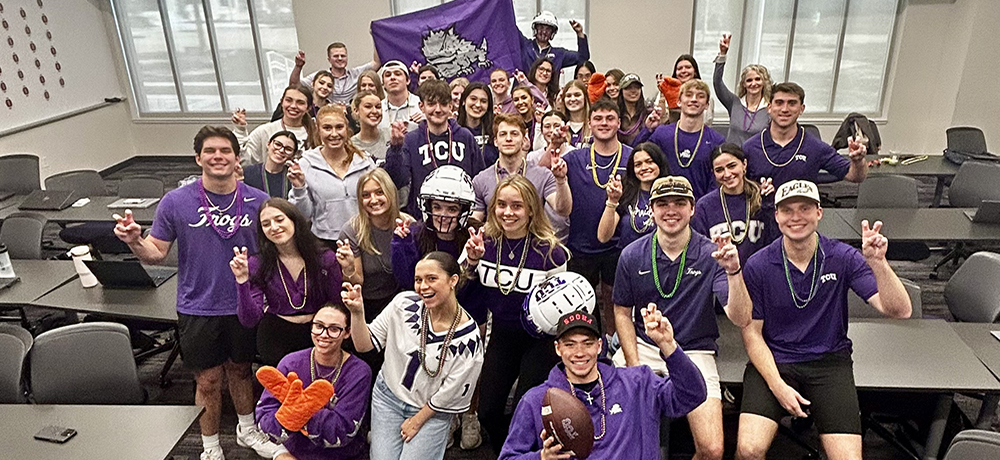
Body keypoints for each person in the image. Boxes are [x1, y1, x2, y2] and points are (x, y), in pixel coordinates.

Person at [113, 126, 279, 460]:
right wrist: (134, 240)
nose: (218, 157)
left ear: (236, 158)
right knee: (208, 381)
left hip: (244, 304)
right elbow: (156, 253)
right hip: (198, 306)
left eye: (225, 151)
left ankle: (247, 430)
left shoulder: (258, 201)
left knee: (241, 371)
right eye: (210, 151)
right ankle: (211, 446)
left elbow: (275, 251)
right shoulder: (176, 202)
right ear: (198, 158)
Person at [727, 180, 912, 460]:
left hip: (829, 362)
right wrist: (778, 387)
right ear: (776, 216)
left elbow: (900, 310)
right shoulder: (759, 265)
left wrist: (879, 263)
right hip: (776, 360)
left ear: (819, 213)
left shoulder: (843, 257)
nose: (796, 217)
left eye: (804, 208)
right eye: (787, 210)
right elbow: (752, 334)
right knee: (748, 450)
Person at [613, 175, 751, 460]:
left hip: (693, 350)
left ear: (692, 209)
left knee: (712, 450)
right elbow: (622, 313)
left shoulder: (713, 254)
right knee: (621, 436)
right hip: (645, 348)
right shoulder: (631, 255)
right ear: (651, 209)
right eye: (662, 204)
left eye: (679, 203)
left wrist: (734, 272)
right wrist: (634, 364)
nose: (671, 210)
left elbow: (741, 317)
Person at [499, 308, 707, 460]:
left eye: (587, 344)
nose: (579, 353)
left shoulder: (638, 383)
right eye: (570, 345)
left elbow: (693, 394)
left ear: (599, 346)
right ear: (558, 348)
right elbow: (508, 457)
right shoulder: (536, 400)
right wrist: (541, 458)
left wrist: (668, 345)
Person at [460, 174, 571, 453]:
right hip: (502, 335)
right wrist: (471, 261)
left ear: (531, 209)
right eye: (501, 205)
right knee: (487, 411)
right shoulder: (481, 242)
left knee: (526, 410)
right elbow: (457, 291)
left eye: (517, 206)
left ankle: (528, 454)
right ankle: (508, 453)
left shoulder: (552, 251)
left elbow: (565, 307)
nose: (508, 212)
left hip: (540, 340)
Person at [342, 252, 485, 460]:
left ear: (453, 280)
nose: (423, 286)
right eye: (418, 280)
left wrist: (417, 420)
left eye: (432, 279)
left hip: (431, 411)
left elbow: (450, 394)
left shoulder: (468, 339)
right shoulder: (403, 304)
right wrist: (357, 312)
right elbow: (364, 345)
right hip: (388, 398)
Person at [230, 198, 351, 366]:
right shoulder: (256, 264)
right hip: (275, 339)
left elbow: (338, 305)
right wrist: (242, 281)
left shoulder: (325, 258)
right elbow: (249, 319)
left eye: (279, 220)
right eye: (266, 224)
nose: (274, 227)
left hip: (319, 336)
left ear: (294, 220)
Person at [256, 303, 373, 460]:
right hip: (294, 453)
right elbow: (265, 413)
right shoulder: (290, 362)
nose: (324, 334)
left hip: (342, 456)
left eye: (333, 329)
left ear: (347, 333)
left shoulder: (359, 371)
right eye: (318, 326)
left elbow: (343, 430)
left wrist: (298, 412)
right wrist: (280, 450)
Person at [562, 99, 633, 336]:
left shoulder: (631, 158)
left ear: (619, 123)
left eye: (610, 118)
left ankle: (615, 349)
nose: (604, 123)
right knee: (581, 308)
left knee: (616, 306)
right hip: (580, 245)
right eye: (598, 118)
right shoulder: (574, 159)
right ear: (589, 123)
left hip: (619, 247)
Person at [742, 82, 868, 191]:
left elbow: (855, 177)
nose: (785, 109)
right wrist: (757, 188)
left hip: (799, 217)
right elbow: (735, 184)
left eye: (792, 103)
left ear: (801, 109)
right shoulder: (750, 147)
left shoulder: (815, 147)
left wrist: (858, 161)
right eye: (779, 103)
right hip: (760, 217)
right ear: (769, 107)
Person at [385, 79, 485, 216]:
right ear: (421, 106)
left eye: (443, 104)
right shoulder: (411, 139)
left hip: (460, 216)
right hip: (423, 218)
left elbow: (479, 178)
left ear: (450, 106)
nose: (438, 110)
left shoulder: (465, 136)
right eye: (431, 104)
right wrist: (395, 148)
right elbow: (397, 181)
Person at [288, 105, 376, 243]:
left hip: (364, 237)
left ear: (346, 129)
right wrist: (299, 188)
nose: (334, 134)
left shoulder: (365, 162)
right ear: (318, 130)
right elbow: (304, 214)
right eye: (327, 128)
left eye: (339, 127)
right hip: (324, 241)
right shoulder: (306, 164)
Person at [471, 113, 571, 225]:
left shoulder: (542, 175)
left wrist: (561, 180)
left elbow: (563, 210)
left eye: (514, 134)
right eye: (503, 134)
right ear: (495, 141)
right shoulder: (481, 179)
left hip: (534, 240)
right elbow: (476, 219)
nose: (508, 139)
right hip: (495, 240)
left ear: (524, 140)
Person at [636, 79, 726, 199]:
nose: (694, 99)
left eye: (700, 96)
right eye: (688, 95)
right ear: (678, 101)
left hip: (698, 210)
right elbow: (634, 155)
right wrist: (647, 130)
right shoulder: (662, 134)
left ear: (707, 105)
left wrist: (703, 209)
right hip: (662, 205)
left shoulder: (717, 141)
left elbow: (716, 182)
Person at [340, 169, 410, 321]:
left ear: (390, 193)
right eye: (366, 195)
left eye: (379, 192)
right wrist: (349, 268)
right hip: (366, 304)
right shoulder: (351, 231)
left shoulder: (408, 224)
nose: (373, 200)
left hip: (401, 300)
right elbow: (357, 283)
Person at [392, 165, 476, 292]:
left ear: (464, 211)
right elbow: (408, 283)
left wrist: (472, 260)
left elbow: (472, 293)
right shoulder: (415, 234)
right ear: (428, 207)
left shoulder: (474, 235)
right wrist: (401, 246)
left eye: (452, 209)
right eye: (437, 207)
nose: (443, 215)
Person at [692, 143, 779, 265]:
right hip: (721, 276)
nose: (727, 174)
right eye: (719, 170)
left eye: (732, 166)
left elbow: (776, 240)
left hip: (759, 274)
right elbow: (699, 251)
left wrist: (769, 203)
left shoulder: (762, 198)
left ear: (744, 164)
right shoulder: (704, 206)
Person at [598, 142, 670, 249]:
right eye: (638, 164)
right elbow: (603, 237)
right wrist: (612, 200)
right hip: (629, 260)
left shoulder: (672, 193)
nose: (644, 167)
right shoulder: (625, 192)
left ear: (659, 163)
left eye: (649, 162)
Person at [234, 85, 318, 165]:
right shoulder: (265, 131)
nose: (293, 106)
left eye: (300, 103)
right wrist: (240, 130)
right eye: (289, 100)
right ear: (281, 102)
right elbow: (244, 161)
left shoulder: (317, 133)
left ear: (309, 107)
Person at [714, 34, 773, 145]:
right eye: (749, 80)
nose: (753, 83)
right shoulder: (734, 103)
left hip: (756, 158)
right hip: (732, 157)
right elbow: (717, 83)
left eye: (757, 79)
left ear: (764, 82)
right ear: (744, 84)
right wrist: (722, 55)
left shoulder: (770, 108)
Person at [290, 42, 380, 105]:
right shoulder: (321, 77)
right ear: (329, 59)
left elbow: (377, 63)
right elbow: (294, 85)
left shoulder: (356, 74)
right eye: (336, 56)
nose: (340, 58)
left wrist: (376, 36)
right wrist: (298, 67)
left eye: (343, 56)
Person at [519, 11, 589, 72]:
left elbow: (582, 57)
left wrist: (579, 33)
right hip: (523, 87)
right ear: (535, 28)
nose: (544, 32)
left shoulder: (559, 54)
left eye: (548, 29)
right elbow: (511, 27)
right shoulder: (525, 45)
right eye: (541, 27)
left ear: (553, 33)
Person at [656, 54, 714, 125]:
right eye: (679, 68)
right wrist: (662, 95)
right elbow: (659, 120)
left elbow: (707, 121)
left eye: (688, 67)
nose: (683, 71)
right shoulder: (665, 91)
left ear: (695, 71)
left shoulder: (704, 94)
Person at [243, 131, 297, 198]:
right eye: (278, 144)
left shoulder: (293, 177)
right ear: (268, 144)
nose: (281, 150)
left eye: (288, 149)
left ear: (293, 154)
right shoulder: (249, 172)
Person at [457, 82, 498, 167]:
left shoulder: (495, 130)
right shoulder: (453, 131)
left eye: (483, 101)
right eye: (473, 99)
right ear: (464, 101)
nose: (478, 104)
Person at [378, 60, 424, 131]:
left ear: (408, 80)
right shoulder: (378, 108)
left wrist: (428, 121)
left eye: (397, 74)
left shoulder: (421, 104)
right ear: (383, 83)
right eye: (388, 75)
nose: (392, 78)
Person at [350, 90, 391, 164]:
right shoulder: (351, 145)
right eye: (368, 107)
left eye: (378, 107)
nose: (375, 111)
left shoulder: (391, 135)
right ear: (356, 110)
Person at [618, 73, 650, 146]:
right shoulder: (615, 114)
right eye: (628, 88)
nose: (633, 91)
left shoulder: (648, 113)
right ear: (621, 91)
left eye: (637, 87)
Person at [561, 80, 591, 148]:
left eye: (577, 95)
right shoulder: (560, 125)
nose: (573, 99)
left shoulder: (594, 125)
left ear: (585, 97)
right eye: (568, 96)